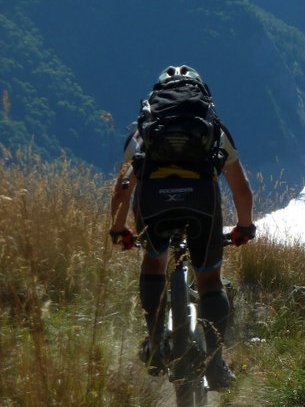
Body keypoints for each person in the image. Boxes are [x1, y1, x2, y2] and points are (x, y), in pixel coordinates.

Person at [108, 65, 255, 391]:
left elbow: (122, 188)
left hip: (154, 205)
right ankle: (216, 367)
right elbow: (241, 188)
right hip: (201, 206)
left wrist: (119, 230)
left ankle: (157, 344)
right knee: (210, 281)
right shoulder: (214, 128)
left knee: (154, 261)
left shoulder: (143, 130)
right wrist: (245, 226)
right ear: (203, 96)